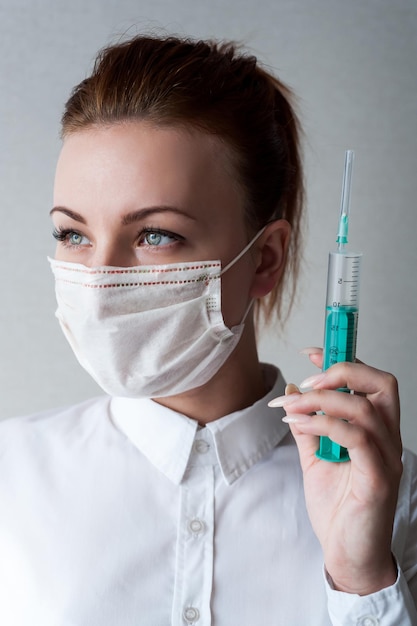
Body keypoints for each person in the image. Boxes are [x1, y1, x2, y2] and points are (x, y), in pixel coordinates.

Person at [0, 33, 416, 626]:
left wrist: (360, 579)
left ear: (265, 259)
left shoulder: (391, 492)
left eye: (155, 235)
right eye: (73, 234)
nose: (99, 278)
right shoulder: (9, 474)